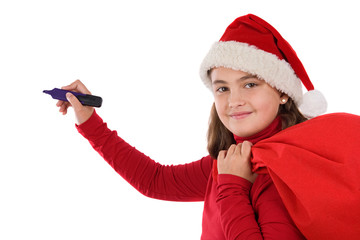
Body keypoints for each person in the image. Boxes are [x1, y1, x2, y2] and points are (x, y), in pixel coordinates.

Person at [56, 14, 360, 239]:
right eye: (222, 88)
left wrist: (232, 187)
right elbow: (156, 180)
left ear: (283, 92)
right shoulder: (236, 159)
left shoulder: (278, 172)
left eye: (250, 84)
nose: (234, 101)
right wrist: (88, 120)